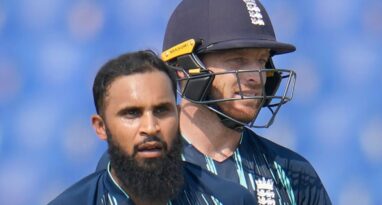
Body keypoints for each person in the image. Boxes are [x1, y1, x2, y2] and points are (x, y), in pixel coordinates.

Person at [96, 0, 331, 204]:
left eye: (261, 61)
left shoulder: (292, 172)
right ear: (185, 69)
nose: (255, 76)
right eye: (237, 61)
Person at [49, 50, 257, 205]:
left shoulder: (230, 200)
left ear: (177, 116)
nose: (150, 127)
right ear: (101, 127)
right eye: (132, 113)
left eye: (161, 111)